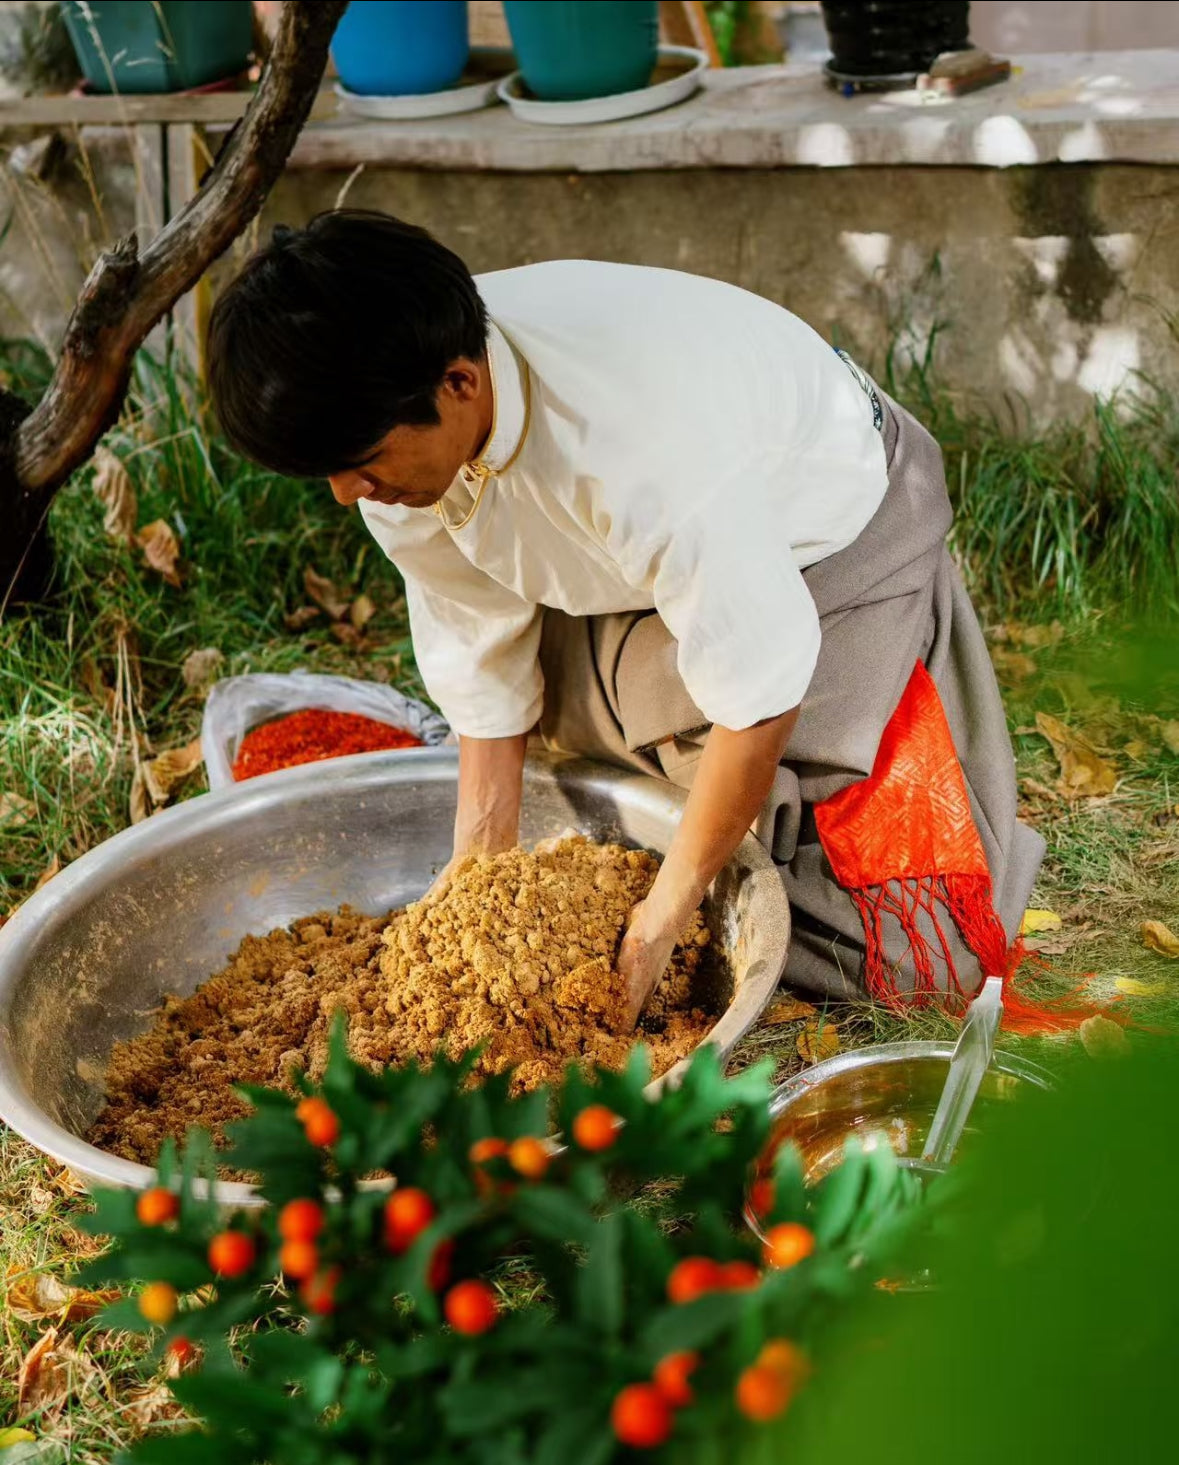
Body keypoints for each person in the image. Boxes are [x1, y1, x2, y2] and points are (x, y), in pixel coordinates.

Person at [208, 210, 1044, 1027]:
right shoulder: (391, 415)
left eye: (358, 466)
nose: (346, 495)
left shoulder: (646, 449)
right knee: (617, 773)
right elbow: (475, 636)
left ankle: (888, 674)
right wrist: (477, 867)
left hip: (826, 541)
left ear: (459, 383)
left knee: (898, 949)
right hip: (639, 565)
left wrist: (659, 919)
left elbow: (757, 691)